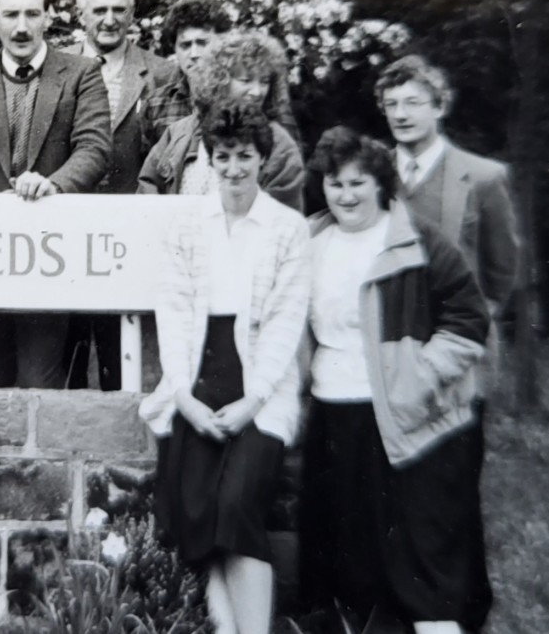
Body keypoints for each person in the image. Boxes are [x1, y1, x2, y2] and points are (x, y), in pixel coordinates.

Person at [298, 126, 492, 634]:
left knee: (418, 554)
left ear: (380, 183)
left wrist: (420, 375)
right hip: (331, 413)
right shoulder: (311, 239)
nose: (346, 196)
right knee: (349, 554)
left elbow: (468, 318)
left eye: (358, 183)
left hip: (402, 415)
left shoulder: (416, 238)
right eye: (335, 184)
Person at [139, 102, 310, 634]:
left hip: (258, 382)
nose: (234, 168)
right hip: (196, 376)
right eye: (223, 156)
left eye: (245, 156)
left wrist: (254, 401)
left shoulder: (287, 228)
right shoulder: (189, 223)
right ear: (210, 159)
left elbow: (285, 319)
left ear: (263, 158)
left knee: (236, 507)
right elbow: (172, 309)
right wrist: (185, 398)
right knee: (196, 513)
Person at [0, 0, 111, 388]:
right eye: (10, 14)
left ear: (48, 16)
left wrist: (54, 183)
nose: (21, 27)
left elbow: (94, 147)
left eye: (32, 14)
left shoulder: (81, 73)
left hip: (52, 253)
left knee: (41, 381)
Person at [375, 55, 519, 393]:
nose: (400, 114)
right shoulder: (370, 176)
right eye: (391, 104)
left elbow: (502, 270)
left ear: (439, 107)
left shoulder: (484, 177)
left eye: (412, 103)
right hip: (386, 349)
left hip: (458, 351)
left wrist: (469, 325)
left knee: (460, 445)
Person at [64, 0, 180, 391]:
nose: (109, 19)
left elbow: (170, 155)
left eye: (119, 10)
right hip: (67, 234)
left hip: (129, 233)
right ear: (81, 15)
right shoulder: (56, 68)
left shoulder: (162, 73)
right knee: (66, 358)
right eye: (99, 10)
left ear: (132, 14)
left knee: (123, 361)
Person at [138, 34, 305, 211]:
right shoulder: (181, 131)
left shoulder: (280, 144)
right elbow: (147, 186)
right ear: (219, 81)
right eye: (246, 80)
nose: (257, 91)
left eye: (264, 81)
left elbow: (283, 217)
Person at [142, 0, 231, 150]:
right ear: (175, 49)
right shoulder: (156, 104)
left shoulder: (237, 96)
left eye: (202, 43)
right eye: (185, 45)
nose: (194, 53)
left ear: (221, 44)